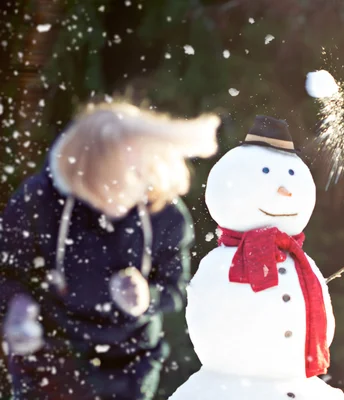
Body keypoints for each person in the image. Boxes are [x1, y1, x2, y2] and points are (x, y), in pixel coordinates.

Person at [0, 102, 220, 399]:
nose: (112, 203)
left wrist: (146, 298)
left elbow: (176, 290)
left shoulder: (167, 216)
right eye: (99, 190)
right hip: (51, 354)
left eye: (121, 190)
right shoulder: (39, 199)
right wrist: (16, 305)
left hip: (129, 364)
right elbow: (7, 267)